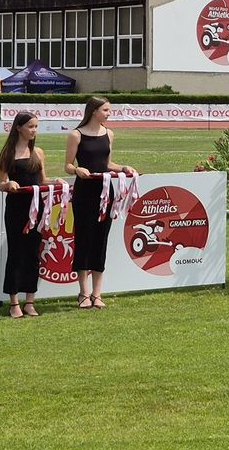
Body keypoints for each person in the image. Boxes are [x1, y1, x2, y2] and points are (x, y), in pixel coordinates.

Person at [65, 97, 135, 309]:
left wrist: (123, 168)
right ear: (94, 111)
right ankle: (83, 293)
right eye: (105, 110)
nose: (108, 113)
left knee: (100, 240)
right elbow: (67, 165)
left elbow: (107, 163)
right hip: (85, 192)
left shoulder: (109, 133)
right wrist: (77, 170)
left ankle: (97, 293)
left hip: (105, 192)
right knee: (84, 239)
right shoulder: (76, 135)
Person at [0, 112, 51, 318]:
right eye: (30, 126)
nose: (34, 130)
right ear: (18, 127)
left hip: (37, 208)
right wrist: (8, 184)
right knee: (16, 253)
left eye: (36, 127)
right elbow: (1, 184)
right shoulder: (8, 154)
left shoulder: (38, 152)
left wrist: (57, 182)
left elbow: (43, 180)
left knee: (33, 254)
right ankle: (13, 302)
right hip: (16, 209)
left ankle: (30, 300)